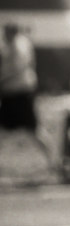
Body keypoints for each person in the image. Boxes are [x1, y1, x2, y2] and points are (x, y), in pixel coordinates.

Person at [0, 23, 54, 175]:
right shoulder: (12, 45)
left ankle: (53, 162)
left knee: (34, 129)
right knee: (3, 130)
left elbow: (15, 69)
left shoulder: (18, 46)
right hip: (11, 94)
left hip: (20, 94)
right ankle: (53, 162)